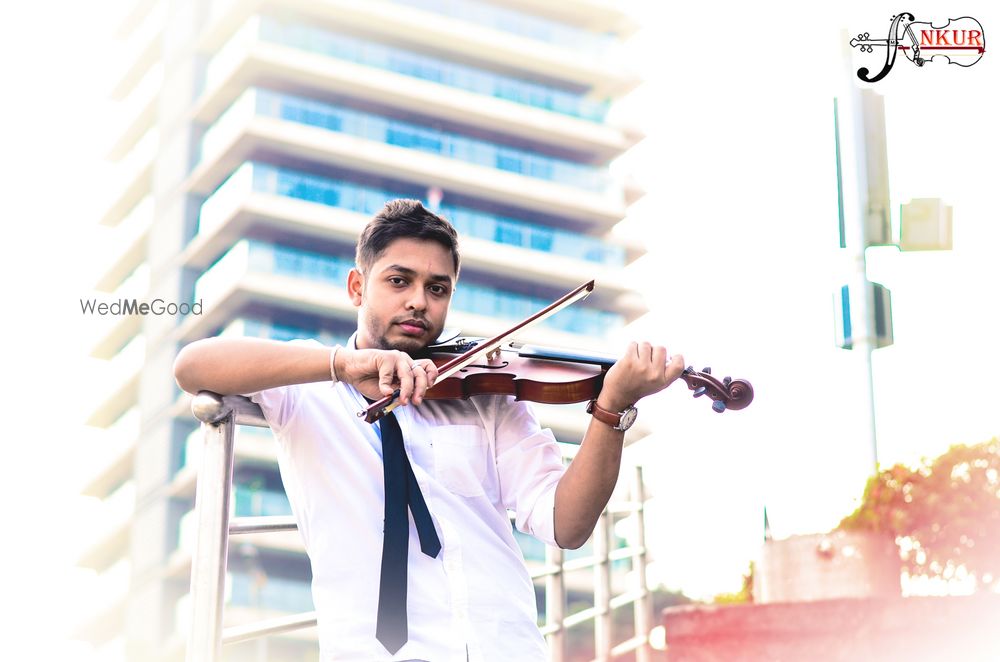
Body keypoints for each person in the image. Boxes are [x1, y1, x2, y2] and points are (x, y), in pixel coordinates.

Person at [173, 199, 685, 662]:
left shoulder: (485, 394)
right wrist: (342, 364)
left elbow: (568, 525)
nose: (419, 301)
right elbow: (194, 365)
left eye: (437, 288)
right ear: (358, 287)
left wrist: (612, 408)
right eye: (399, 281)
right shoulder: (308, 387)